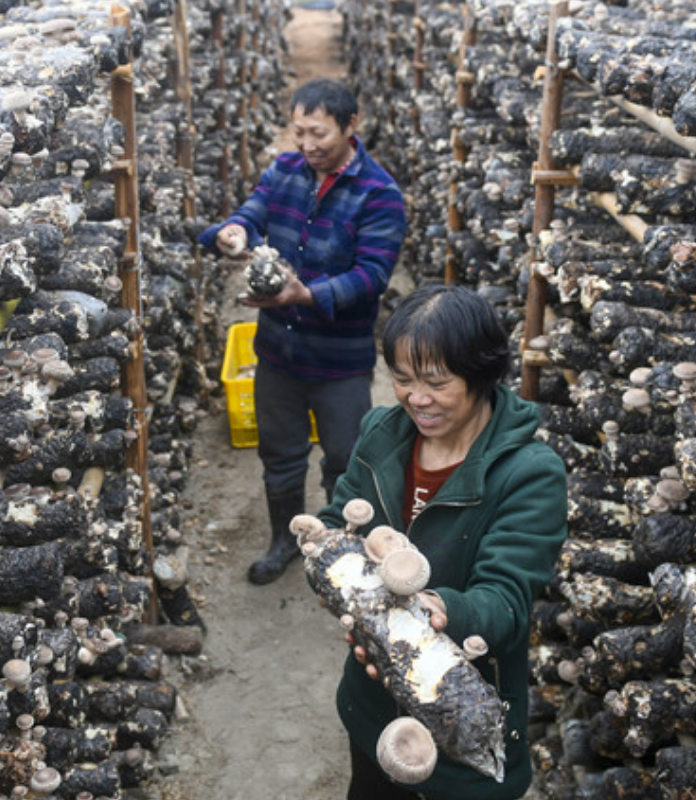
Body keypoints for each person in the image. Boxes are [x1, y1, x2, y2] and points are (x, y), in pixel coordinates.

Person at [318, 284, 568, 800]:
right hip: (372, 702)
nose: (416, 398)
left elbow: (504, 602)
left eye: (436, 382)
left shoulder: (530, 473)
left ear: (480, 374)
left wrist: (429, 610)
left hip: (463, 711)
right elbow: (334, 520)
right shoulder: (383, 432)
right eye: (402, 380)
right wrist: (332, 566)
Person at [199, 78, 407, 585]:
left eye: (319, 134)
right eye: (299, 133)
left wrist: (305, 295)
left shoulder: (379, 194)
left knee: (344, 458)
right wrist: (233, 233)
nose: (308, 145)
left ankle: (339, 548)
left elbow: (371, 276)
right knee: (280, 454)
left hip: (339, 362)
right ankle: (284, 541)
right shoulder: (287, 169)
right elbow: (253, 210)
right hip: (278, 353)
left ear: (351, 125)